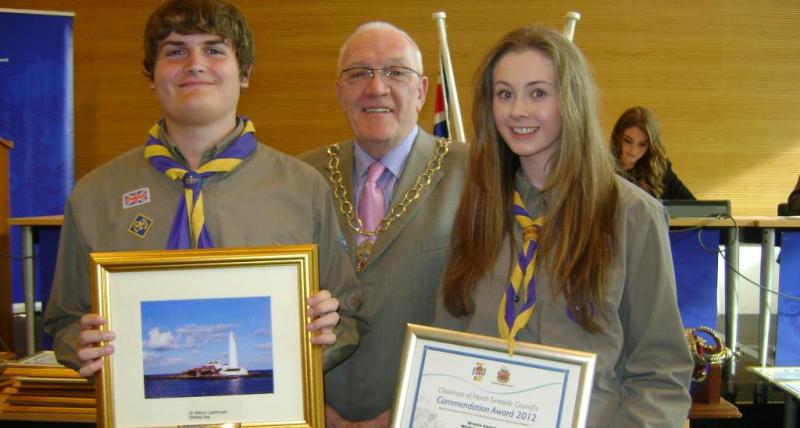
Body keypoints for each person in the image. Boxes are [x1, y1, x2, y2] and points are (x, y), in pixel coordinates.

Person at [43, 0, 361, 378]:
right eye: (175, 51)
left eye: (213, 49)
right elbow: (64, 321)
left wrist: (322, 338)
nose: (194, 63)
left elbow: (348, 317)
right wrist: (79, 346)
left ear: (244, 72)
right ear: (150, 74)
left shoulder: (304, 188)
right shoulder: (94, 196)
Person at [435, 25, 692, 427]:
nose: (518, 110)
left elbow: (660, 373)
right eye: (505, 94)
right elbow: (447, 339)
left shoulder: (632, 215)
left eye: (538, 92)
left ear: (571, 100)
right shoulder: (476, 209)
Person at [299, 21, 468, 427]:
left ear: (423, 90)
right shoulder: (300, 178)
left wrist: (419, 408)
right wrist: (307, 405)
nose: (376, 88)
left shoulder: (476, 175)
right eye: (358, 74)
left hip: (430, 413)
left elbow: (489, 312)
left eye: (396, 72)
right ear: (340, 92)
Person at [610, 106, 695, 200]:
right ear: (618, 136)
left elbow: (693, 208)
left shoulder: (659, 169)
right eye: (628, 140)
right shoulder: (602, 168)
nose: (633, 150)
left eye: (642, 144)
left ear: (651, 145)